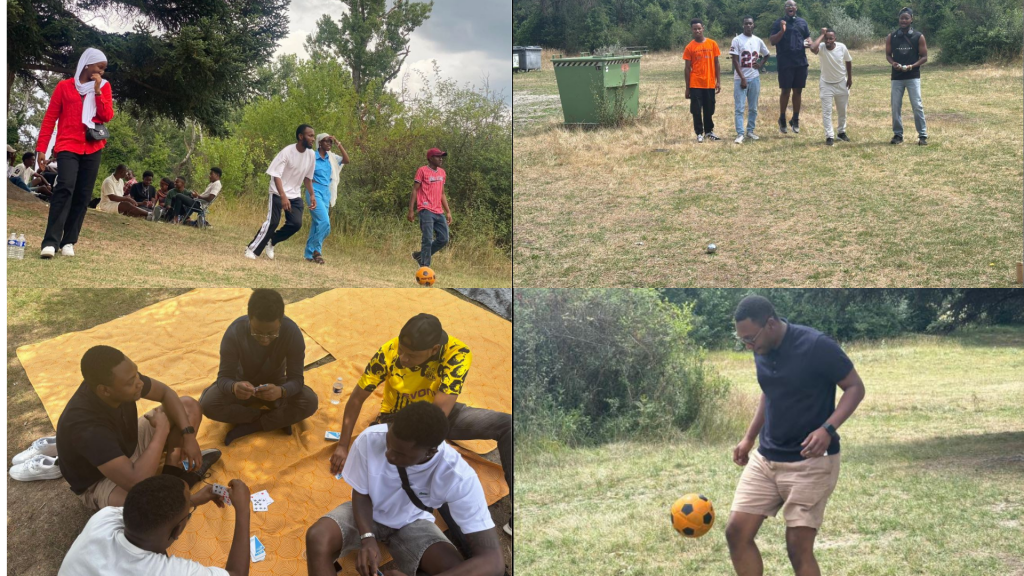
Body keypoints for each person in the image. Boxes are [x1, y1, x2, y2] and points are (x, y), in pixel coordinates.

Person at [331, 313, 513, 537]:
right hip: (398, 419)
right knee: (426, 471)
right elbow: (356, 398)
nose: (403, 358)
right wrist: (343, 445)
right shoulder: (389, 351)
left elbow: (438, 415)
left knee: (507, 425)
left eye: (411, 355)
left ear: (434, 349)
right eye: (401, 350)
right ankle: (462, 535)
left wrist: (438, 458)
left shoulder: (457, 354)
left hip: (437, 416)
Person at [726, 295, 866, 576]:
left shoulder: (816, 345)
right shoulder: (761, 347)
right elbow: (769, 391)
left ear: (770, 324)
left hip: (810, 461)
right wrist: (749, 437)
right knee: (736, 533)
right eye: (743, 340)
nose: (749, 346)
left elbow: (855, 387)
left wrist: (828, 429)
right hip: (766, 459)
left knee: (797, 547)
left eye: (750, 338)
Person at [307, 402, 506, 576]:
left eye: (400, 454)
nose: (388, 455)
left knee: (453, 567)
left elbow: (493, 563)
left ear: (430, 452)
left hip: (413, 521)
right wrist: (367, 538)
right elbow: (361, 492)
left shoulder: (457, 476)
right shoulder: (370, 439)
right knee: (318, 537)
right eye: (388, 443)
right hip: (370, 512)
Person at [55, 345, 222, 511]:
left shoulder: (122, 379)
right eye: (131, 382)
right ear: (105, 390)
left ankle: (174, 477)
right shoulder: (85, 426)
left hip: (125, 446)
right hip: (100, 479)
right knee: (148, 507)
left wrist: (189, 436)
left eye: (136, 373)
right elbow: (137, 481)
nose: (140, 383)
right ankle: (186, 490)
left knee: (188, 406)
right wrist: (161, 430)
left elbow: (166, 392)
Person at [57, 475, 252, 576]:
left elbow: (151, 510)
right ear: (177, 530)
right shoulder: (167, 572)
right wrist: (243, 509)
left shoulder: (104, 517)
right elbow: (236, 575)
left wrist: (191, 501)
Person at [199, 289, 319, 446]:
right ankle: (275, 419)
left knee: (310, 401)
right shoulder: (234, 332)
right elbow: (223, 378)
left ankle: (252, 425)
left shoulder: (292, 333)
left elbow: (296, 379)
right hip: (242, 383)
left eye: (272, 333)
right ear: (249, 319)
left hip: (277, 383)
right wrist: (234, 387)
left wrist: (281, 391)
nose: (264, 340)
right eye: (257, 333)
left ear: (281, 321)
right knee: (208, 404)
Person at [34, 47, 115, 259]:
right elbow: (50, 118)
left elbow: (106, 116)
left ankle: (69, 241)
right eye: (99, 67)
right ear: (87, 64)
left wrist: (97, 91)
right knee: (64, 188)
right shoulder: (64, 86)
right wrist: (42, 148)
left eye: (104, 69)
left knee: (83, 194)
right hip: (67, 145)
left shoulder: (104, 87)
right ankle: (50, 242)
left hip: (93, 147)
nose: (102, 71)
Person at [246, 124, 317, 260]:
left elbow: (308, 178)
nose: (313, 139)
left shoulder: (311, 155)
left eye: (313, 136)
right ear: (300, 136)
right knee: (273, 222)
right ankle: (251, 249)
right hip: (278, 192)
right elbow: (276, 175)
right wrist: (283, 196)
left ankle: (272, 240)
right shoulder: (287, 152)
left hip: (295, 194)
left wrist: (312, 194)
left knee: (296, 224)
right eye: (310, 136)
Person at [886, 7, 928, 145]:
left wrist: (912, 66)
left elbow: (924, 57)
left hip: (913, 76)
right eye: (901, 18)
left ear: (911, 19)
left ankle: (922, 136)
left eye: (906, 18)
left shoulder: (918, 36)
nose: (903, 21)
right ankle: (898, 135)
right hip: (897, 77)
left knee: (917, 105)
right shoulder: (892, 36)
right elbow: (888, 55)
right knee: (895, 106)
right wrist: (893, 63)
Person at [306, 134, 349, 265]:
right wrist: (311, 194)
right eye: (326, 141)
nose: (329, 143)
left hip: (326, 192)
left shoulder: (332, 158)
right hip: (314, 191)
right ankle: (316, 251)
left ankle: (309, 253)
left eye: (331, 142)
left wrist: (338, 142)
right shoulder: (312, 157)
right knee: (325, 223)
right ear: (319, 143)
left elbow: (346, 160)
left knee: (317, 224)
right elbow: (306, 176)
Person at [769, 0, 811, 134]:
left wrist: (809, 42)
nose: (790, 7)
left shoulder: (802, 22)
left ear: (796, 8)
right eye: (788, 6)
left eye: (792, 5)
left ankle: (795, 118)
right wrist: (782, 30)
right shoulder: (778, 22)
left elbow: (808, 37)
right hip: (785, 62)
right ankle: (782, 118)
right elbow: (772, 41)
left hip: (800, 62)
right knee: (786, 91)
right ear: (785, 9)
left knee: (798, 91)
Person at [408, 149, 452, 268]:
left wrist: (448, 211)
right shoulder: (422, 171)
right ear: (430, 158)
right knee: (427, 238)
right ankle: (424, 266)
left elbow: (442, 193)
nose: (441, 159)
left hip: (439, 211)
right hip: (425, 209)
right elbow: (415, 190)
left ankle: (420, 256)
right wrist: (411, 210)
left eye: (441, 157)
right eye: (438, 156)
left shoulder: (442, 172)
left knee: (444, 238)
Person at [730, 16, 770, 144]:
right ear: (743, 25)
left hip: (754, 77)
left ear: (753, 25)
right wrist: (742, 78)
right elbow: (735, 60)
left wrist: (761, 63)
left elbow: (767, 54)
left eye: (750, 23)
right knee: (740, 108)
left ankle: (750, 131)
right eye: (746, 23)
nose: (748, 25)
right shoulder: (737, 40)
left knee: (753, 107)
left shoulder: (758, 40)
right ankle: (740, 133)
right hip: (740, 78)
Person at [809, 28, 853, 146]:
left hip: (841, 83)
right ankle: (829, 136)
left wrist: (849, 78)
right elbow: (812, 48)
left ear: (835, 39)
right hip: (826, 84)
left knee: (842, 110)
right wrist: (821, 34)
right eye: (826, 38)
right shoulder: (821, 47)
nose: (828, 41)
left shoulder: (841, 47)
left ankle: (841, 132)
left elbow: (848, 61)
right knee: (827, 111)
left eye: (830, 38)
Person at [683, 18, 722, 142]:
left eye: (699, 28)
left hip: (709, 83)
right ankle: (699, 133)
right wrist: (687, 88)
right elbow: (687, 68)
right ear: (692, 30)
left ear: (703, 28)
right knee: (696, 110)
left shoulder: (712, 44)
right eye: (695, 29)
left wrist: (718, 81)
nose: (697, 31)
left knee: (709, 109)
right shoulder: (689, 47)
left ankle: (709, 132)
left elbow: (716, 63)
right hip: (695, 83)